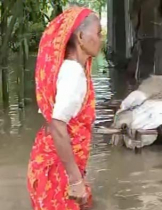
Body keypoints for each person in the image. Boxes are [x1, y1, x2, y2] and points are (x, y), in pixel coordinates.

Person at [27, 7, 101, 210]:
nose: (100, 39)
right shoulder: (73, 75)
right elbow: (58, 126)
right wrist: (76, 181)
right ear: (80, 37)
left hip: (49, 159)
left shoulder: (66, 68)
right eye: (98, 33)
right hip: (57, 169)